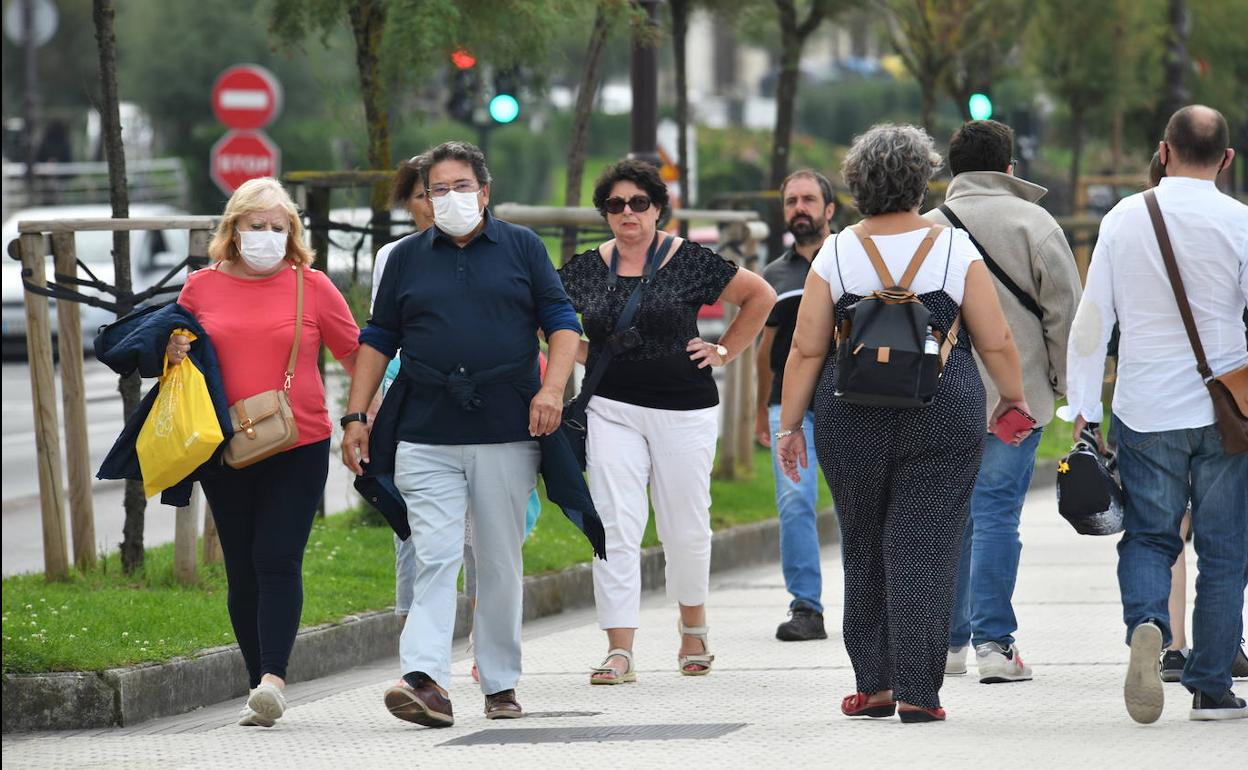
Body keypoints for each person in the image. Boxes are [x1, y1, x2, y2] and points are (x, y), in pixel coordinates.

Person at [776, 124, 1030, 723]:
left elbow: (807, 350)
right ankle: (920, 691)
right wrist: (1012, 400)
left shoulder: (836, 252)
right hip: (942, 410)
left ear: (858, 184)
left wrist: (790, 427)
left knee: (862, 545)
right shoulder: (952, 248)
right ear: (923, 181)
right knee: (927, 546)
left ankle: (875, 685)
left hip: (851, 414)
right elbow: (994, 339)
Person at [342, 141, 584, 727]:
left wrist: (551, 390)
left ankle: (500, 683)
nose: (448, 198)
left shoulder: (522, 247)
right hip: (425, 431)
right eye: (437, 190)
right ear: (424, 199)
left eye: (460, 186)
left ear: (485, 190)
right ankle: (424, 679)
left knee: (499, 560)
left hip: (507, 428)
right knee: (435, 554)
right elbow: (377, 337)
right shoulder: (404, 258)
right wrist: (355, 415)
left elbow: (562, 321)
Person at [1060, 105, 1248, 723]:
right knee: (1224, 548)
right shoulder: (1240, 223)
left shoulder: (1122, 219)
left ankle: (1148, 625)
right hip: (1229, 412)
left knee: (1149, 535)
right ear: (1226, 159)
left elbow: (1092, 324)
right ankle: (1212, 689)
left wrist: (1084, 410)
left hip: (1144, 408)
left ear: (1163, 151)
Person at [558, 158, 775, 684]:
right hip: (611, 408)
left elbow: (759, 296)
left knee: (685, 523)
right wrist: (586, 353)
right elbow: (547, 318)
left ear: (658, 208)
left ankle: (693, 627)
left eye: (638, 202)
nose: (627, 213)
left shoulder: (687, 261)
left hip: (685, 408)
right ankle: (619, 648)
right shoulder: (586, 268)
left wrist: (723, 350)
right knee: (613, 523)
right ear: (604, 214)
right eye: (615, 204)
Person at [165, 177, 362, 728]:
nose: (268, 236)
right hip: (226, 445)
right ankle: (259, 687)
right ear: (234, 229)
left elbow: (357, 355)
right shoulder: (201, 288)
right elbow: (179, 360)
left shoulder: (314, 286)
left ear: (294, 234)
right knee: (243, 569)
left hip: (297, 441)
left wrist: (366, 415)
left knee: (277, 558)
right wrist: (174, 351)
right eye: (257, 226)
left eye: (280, 228)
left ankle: (274, 676)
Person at [926, 120, 1082, 683]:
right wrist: (1067, 388)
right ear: (1009, 168)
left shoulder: (926, 229)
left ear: (953, 169)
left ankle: (946, 643)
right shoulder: (1034, 223)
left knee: (950, 518)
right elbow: (1066, 312)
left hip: (938, 399)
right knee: (995, 514)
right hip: (1017, 401)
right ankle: (995, 644)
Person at [754, 169, 835, 642]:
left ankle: (875, 606)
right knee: (794, 502)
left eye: (808, 199)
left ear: (829, 209)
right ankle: (806, 607)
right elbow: (764, 355)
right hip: (787, 407)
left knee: (858, 507)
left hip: (849, 404)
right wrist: (758, 412)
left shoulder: (853, 258)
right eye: (790, 201)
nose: (798, 209)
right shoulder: (774, 277)